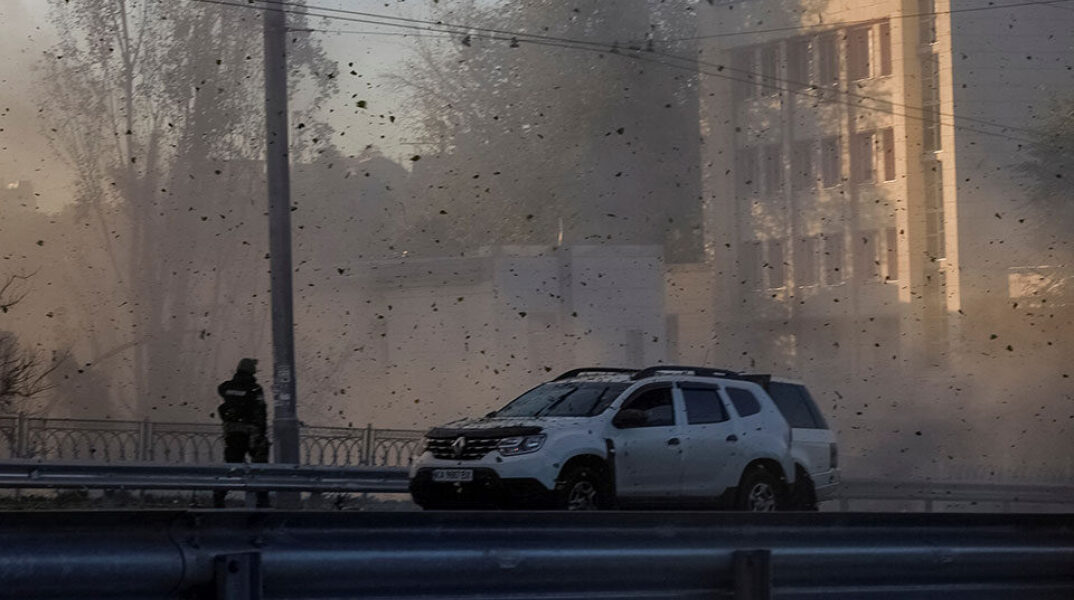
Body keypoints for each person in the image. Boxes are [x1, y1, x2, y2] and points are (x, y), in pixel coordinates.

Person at [213, 357, 270, 508]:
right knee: (260, 467)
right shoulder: (255, 389)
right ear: (252, 371)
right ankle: (262, 500)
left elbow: (221, 389)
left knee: (232, 466)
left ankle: (219, 496)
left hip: (233, 434)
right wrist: (262, 433)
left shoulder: (228, 387)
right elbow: (261, 412)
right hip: (252, 434)